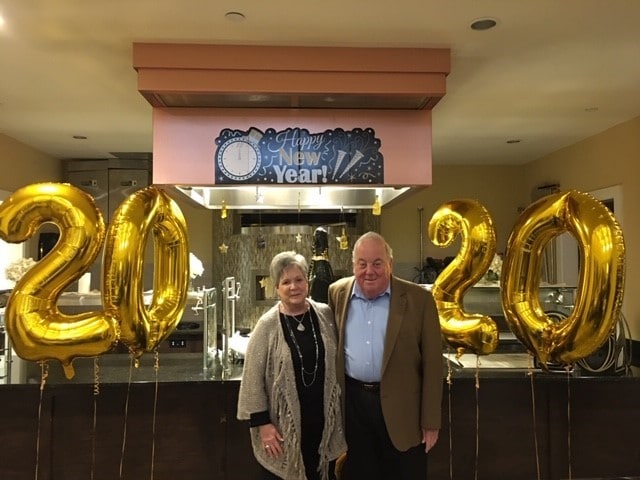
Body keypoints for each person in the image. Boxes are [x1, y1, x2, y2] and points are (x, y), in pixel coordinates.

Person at [328, 231, 443, 480]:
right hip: (354, 408)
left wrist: (431, 421)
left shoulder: (419, 300)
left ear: (390, 264)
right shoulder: (336, 293)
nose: (369, 270)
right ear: (353, 265)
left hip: (403, 411)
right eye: (362, 263)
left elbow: (434, 365)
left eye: (377, 263)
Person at [237, 251, 346, 480]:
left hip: (323, 425)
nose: (293, 287)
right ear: (276, 288)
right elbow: (252, 379)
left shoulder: (325, 314)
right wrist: (263, 425)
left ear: (307, 282)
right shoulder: (267, 325)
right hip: (284, 429)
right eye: (286, 282)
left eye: (299, 280)